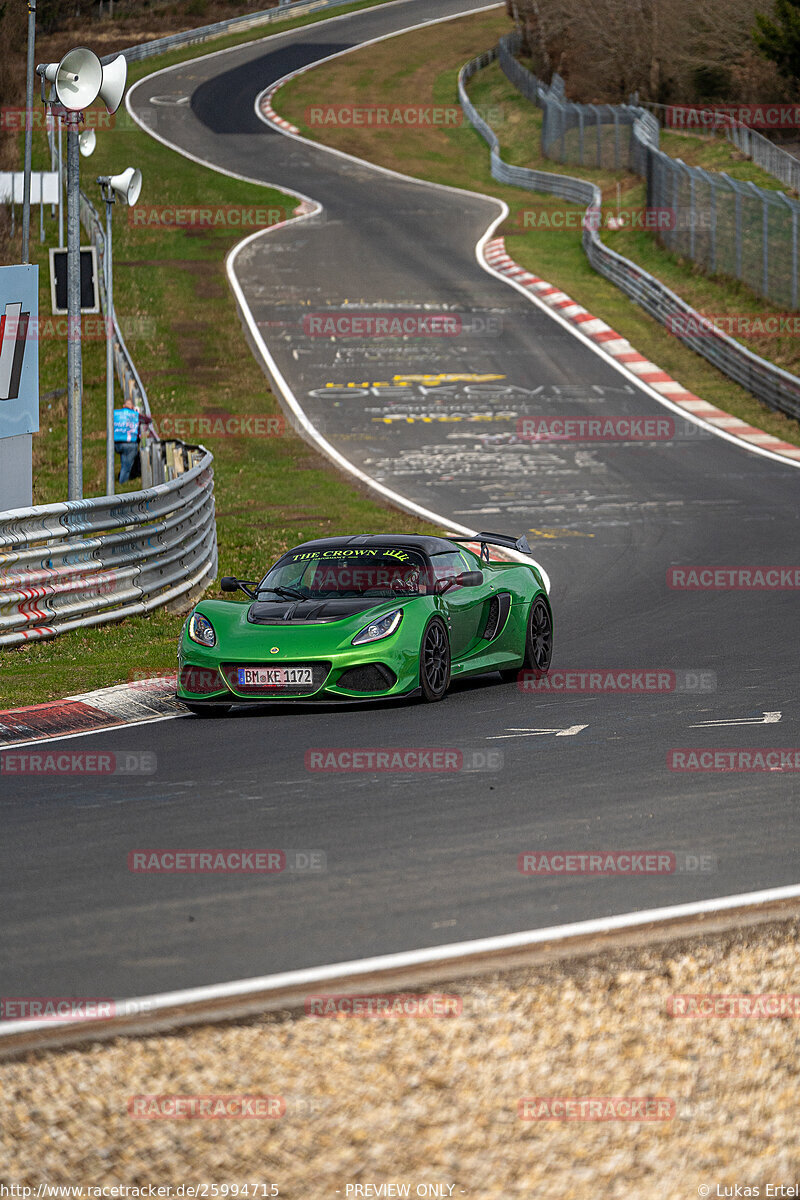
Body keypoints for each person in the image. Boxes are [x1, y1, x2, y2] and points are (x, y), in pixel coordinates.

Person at [114, 399, 142, 483]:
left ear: (123, 406)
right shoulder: (135, 415)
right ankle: (122, 484)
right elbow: (147, 420)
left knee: (123, 462)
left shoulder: (115, 413)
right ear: (132, 407)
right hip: (130, 444)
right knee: (126, 467)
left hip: (116, 444)